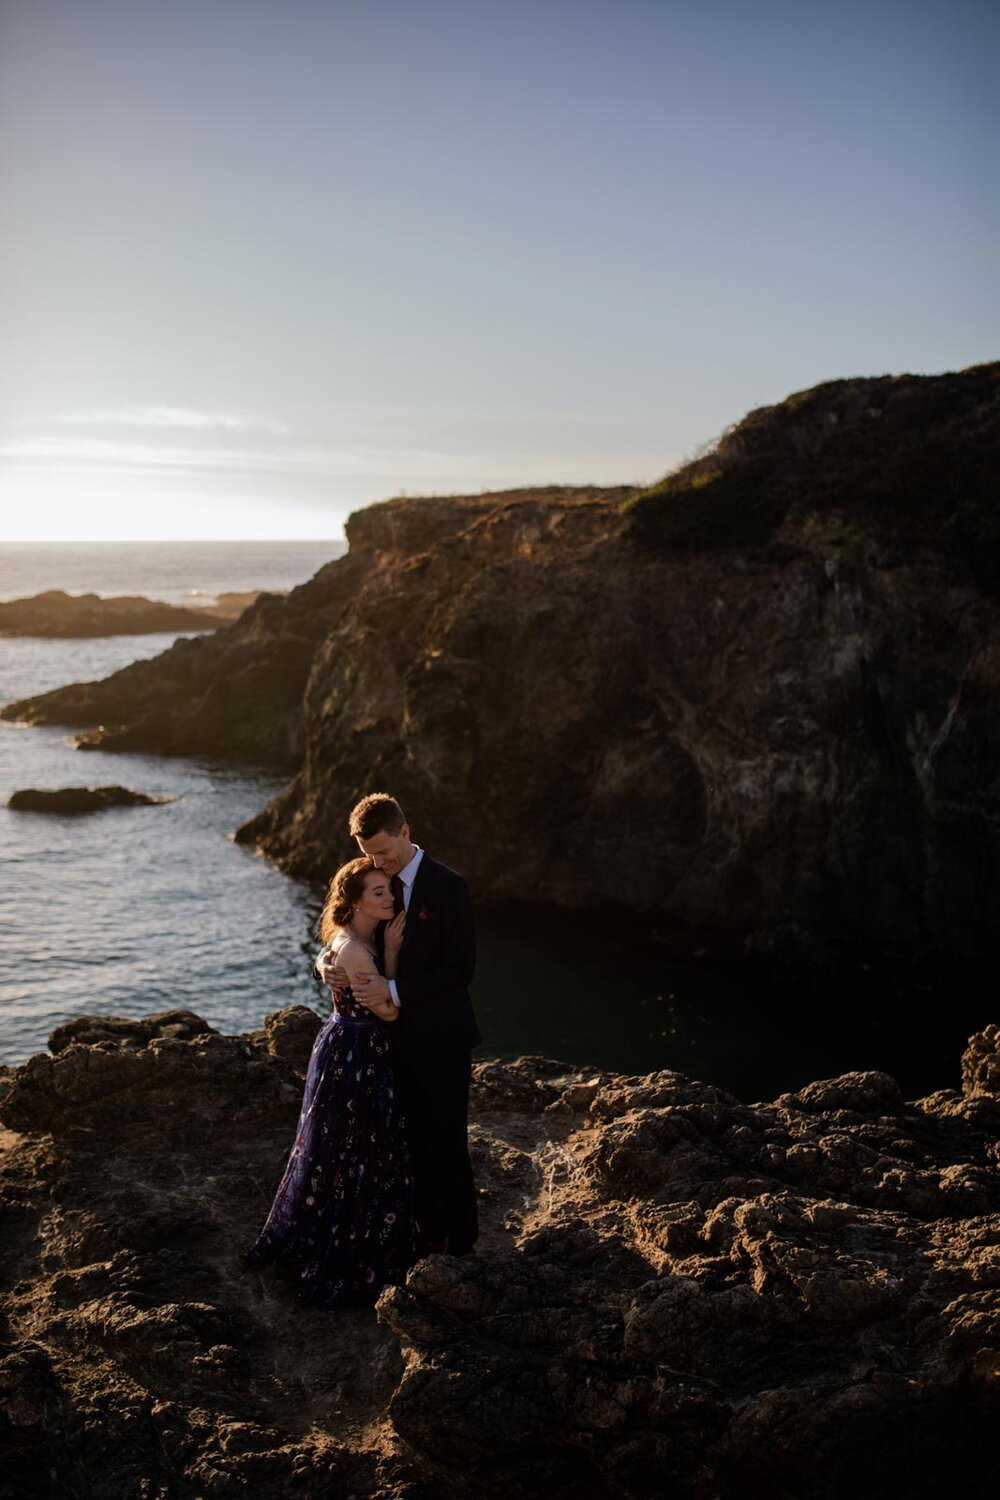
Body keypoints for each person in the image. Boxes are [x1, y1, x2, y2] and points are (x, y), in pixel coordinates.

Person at [241, 858, 416, 1308]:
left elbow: (335, 960)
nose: (389, 898)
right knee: (357, 1149)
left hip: (345, 1047)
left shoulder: (348, 937)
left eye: (388, 889)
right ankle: (347, 1248)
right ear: (355, 901)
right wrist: (393, 956)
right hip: (357, 1055)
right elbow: (390, 1011)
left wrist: (326, 962)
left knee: (338, 1147)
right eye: (378, 893)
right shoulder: (360, 949)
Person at [320, 793, 480, 1257]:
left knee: (447, 1141)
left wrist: (393, 993)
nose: (378, 861)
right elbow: (343, 926)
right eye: (370, 853)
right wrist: (324, 964)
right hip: (388, 1044)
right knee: (407, 1142)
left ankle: (463, 1241)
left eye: (384, 851)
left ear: (405, 832)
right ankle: (425, 1233)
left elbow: (459, 971)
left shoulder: (450, 887)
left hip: (443, 1040)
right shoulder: (372, 875)